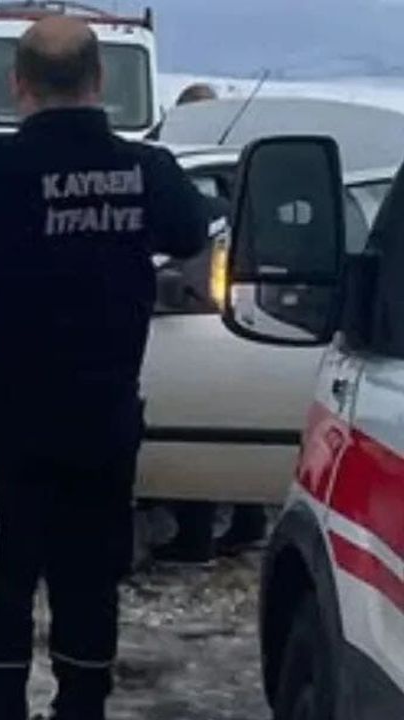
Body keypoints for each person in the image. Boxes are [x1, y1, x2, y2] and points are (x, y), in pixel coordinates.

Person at [0, 16, 207, 720]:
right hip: (103, 417)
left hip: (5, 422)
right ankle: (82, 706)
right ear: (100, 80)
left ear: (18, 85)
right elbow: (192, 230)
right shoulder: (146, 170)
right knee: (89, 576)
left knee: (3, 579)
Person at [148, 81, 271, 565]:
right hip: (243, 324)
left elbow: (182, 270)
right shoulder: (233, 195)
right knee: (230, 424)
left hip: (200, 324)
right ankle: (246, 522)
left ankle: (196, 536)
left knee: (198, 422)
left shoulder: (187, 198)